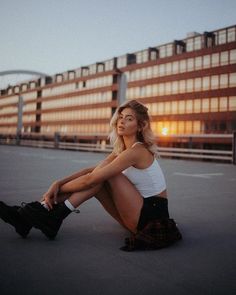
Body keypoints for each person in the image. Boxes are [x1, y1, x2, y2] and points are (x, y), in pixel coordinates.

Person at [0, 100, 181, 251]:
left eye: (129, 119)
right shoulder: (122, 151)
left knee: (105, 177)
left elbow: (92, 178)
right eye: (120, 117)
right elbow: (90, 171)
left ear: (140, 126)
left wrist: (55, 189)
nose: (121, 122)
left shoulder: (137, 151)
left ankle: (43, 215)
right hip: (135, 213)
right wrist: (58, 182)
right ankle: (27, 218)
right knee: (100, 178)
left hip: (151, 219)